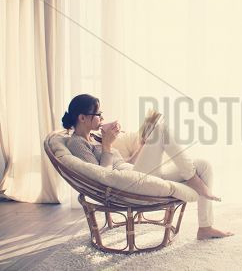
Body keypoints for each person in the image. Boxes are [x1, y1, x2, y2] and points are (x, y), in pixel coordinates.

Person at [62, 94, 233, 240]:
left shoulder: (94, 137)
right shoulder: (77, 143)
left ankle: (205, 227)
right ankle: (192, 178)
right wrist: (107, 146)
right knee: (161, 129)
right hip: (127, 186)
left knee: (203, 165)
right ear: (82, 117)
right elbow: (101, 178)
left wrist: (143, 145)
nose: (102, 118)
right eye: (97, 114)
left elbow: (124, 164)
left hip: (136, 175)